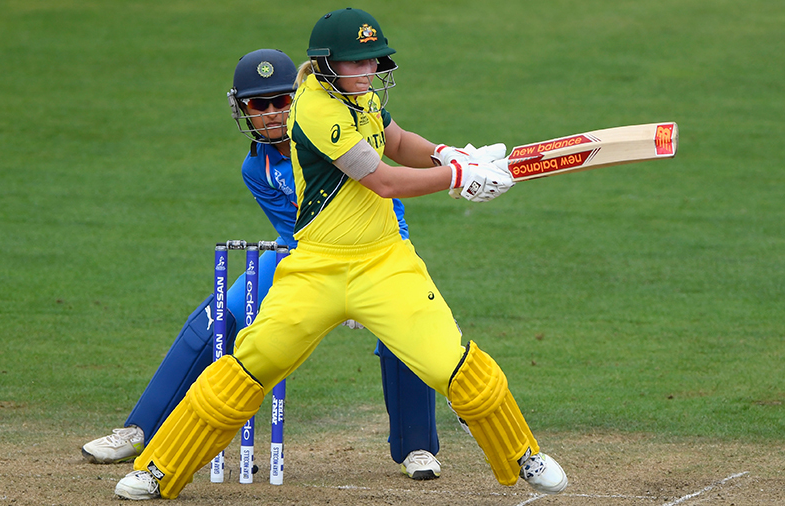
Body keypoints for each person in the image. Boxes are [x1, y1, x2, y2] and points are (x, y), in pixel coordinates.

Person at [114, 8, 568, 500]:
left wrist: (447, 154)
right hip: (317, 268)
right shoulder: (315, 109)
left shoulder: (360, 95)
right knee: (249, 366)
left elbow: (397, 141)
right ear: (327, 64)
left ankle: (524, 454)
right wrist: (460, 178)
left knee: (452, 364)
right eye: (358, 62)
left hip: (385, 264)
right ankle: (159, 467)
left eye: (374, 62)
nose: (369, 71)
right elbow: (384, 180)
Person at [83, 48, 443, 482]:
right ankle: (141, 430)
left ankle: (417, 447)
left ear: (298, 98)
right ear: (243, 109)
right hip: (301, 256)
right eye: (259, 103)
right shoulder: (257, 168)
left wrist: (372, 275)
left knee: (404, 328)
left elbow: (389, 205)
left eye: (281, 100)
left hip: (374, 251)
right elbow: (294, 231)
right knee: (220, 314)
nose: (271, 113)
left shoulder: (337, 128)